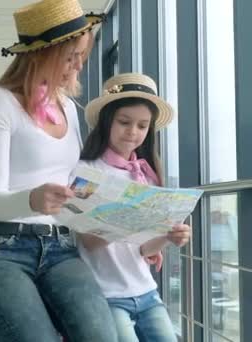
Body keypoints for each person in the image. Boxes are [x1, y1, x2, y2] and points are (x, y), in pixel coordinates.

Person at [0, 0, 118, 341]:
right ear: (41, 55)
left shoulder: (67, 106)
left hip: (61, 248)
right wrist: (33, 200)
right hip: (2, 249)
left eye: (82, 55)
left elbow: (78, 182)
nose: (77, 66)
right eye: (70, 57)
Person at [76, 73, 192, 342]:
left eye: (142, 126)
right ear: (106, 122)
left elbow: (143, 249)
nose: (133, 132)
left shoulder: (146, 175)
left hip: (147, 291)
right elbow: (87, 241)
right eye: (124, 122)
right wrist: (122, 219)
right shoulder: (86, 171)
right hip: (107, 296)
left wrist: (168, 237)